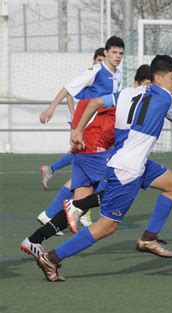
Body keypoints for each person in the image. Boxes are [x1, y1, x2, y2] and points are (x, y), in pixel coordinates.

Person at [35, 55, 172, 282]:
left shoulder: (126, 93)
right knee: (106, 227)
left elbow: (94, 103)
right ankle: (52, 258)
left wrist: (78, 131)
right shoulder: (165, 97)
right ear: (158, 77)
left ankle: (148, 238)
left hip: (130, 161)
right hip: (128, 170)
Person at [20, 65, 151, 260]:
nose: (148, 90)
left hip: (88, 151)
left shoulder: (137, 100)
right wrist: (76, 130)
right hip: (92, 149)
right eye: (146, 85)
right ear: (136, 84)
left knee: (78, 204)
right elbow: (89, 103)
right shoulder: (123, 96)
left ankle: (35, 239)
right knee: (122, 181)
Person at [35, 38, 123, 231]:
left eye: (120, 53)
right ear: (106, 53)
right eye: (114, 52)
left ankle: (52, 218)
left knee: (81, 181)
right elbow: (69, 87)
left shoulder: (118, 74)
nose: (117, 57)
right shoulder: (96, 71)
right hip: (87, 132)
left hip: (102, 132)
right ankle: (76, 209)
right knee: (113, 177)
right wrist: (51, 108)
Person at [39, 48, 106, 191]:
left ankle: (50, 170)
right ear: (94, 60)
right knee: (86, 158)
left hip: (95, 122)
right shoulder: (91, 73)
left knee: (79, 155)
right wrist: (73, 114)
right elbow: (69, 91)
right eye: (99, 60)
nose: (101, 63)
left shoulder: (106, 76)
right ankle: (73, 202)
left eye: (103, 60)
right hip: (84, 122)